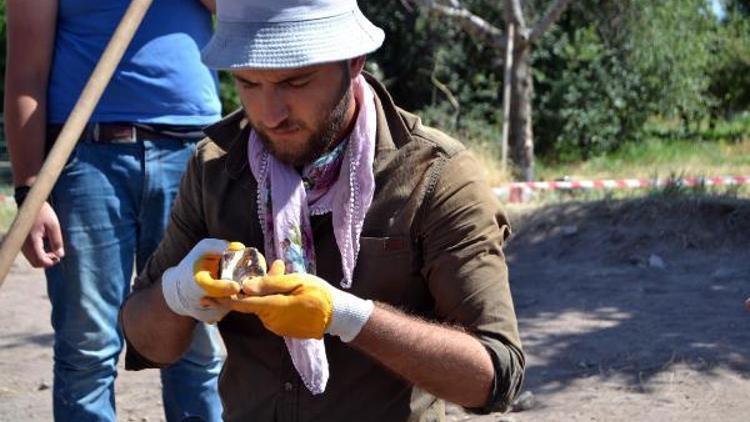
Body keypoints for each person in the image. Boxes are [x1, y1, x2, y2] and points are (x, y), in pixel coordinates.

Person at [121, 0, 526, 420]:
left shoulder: (435, 176)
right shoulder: (216, 167)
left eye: (296, 82)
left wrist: (347, 317)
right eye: (248, 84)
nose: (269, 114)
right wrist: (180, 290)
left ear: (354, 62)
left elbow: (493, 378)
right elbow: (147, 343)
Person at [4, 0, 225, 420]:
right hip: (85, 158)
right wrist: (30, 189)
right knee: (87, 346)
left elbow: (242, 11)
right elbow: (25, 74)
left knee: (196, 337)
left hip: (192, 153)